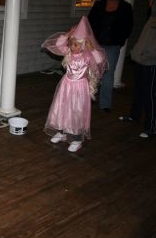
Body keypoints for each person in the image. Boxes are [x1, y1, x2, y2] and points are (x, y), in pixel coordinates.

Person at [41, 16, 107, 152]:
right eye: (71, 44)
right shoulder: (69, 53)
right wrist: (68, 35)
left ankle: (76, 138)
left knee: (76, 111)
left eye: (76, 44)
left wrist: (92, 48)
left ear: (83, 44)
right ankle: (62, 131)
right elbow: (58, 45)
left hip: (79, 87)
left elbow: (100, 60)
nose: (72, 46)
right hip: (66, 85)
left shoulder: (87, 56)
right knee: (62, 107)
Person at [119, 0, 156, 138]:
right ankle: (134, 116)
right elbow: (144, 40)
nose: (148, 2)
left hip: (153, 62)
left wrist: (146, 55)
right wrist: (136, 52)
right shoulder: (153, 17)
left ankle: (150, 127)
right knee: (138, 90)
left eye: (151, 0)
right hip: (141, 60)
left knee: (150, 94)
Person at [88, 0, 133, 112]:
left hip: (113, 45)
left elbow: (128, 26)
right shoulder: (98, 5)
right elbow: (89, 23)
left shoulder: (125, 7)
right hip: (96, 44)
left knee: (108, 73)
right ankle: (88, 98)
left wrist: (120, 40)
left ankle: (105, 104)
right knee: (92, 71)